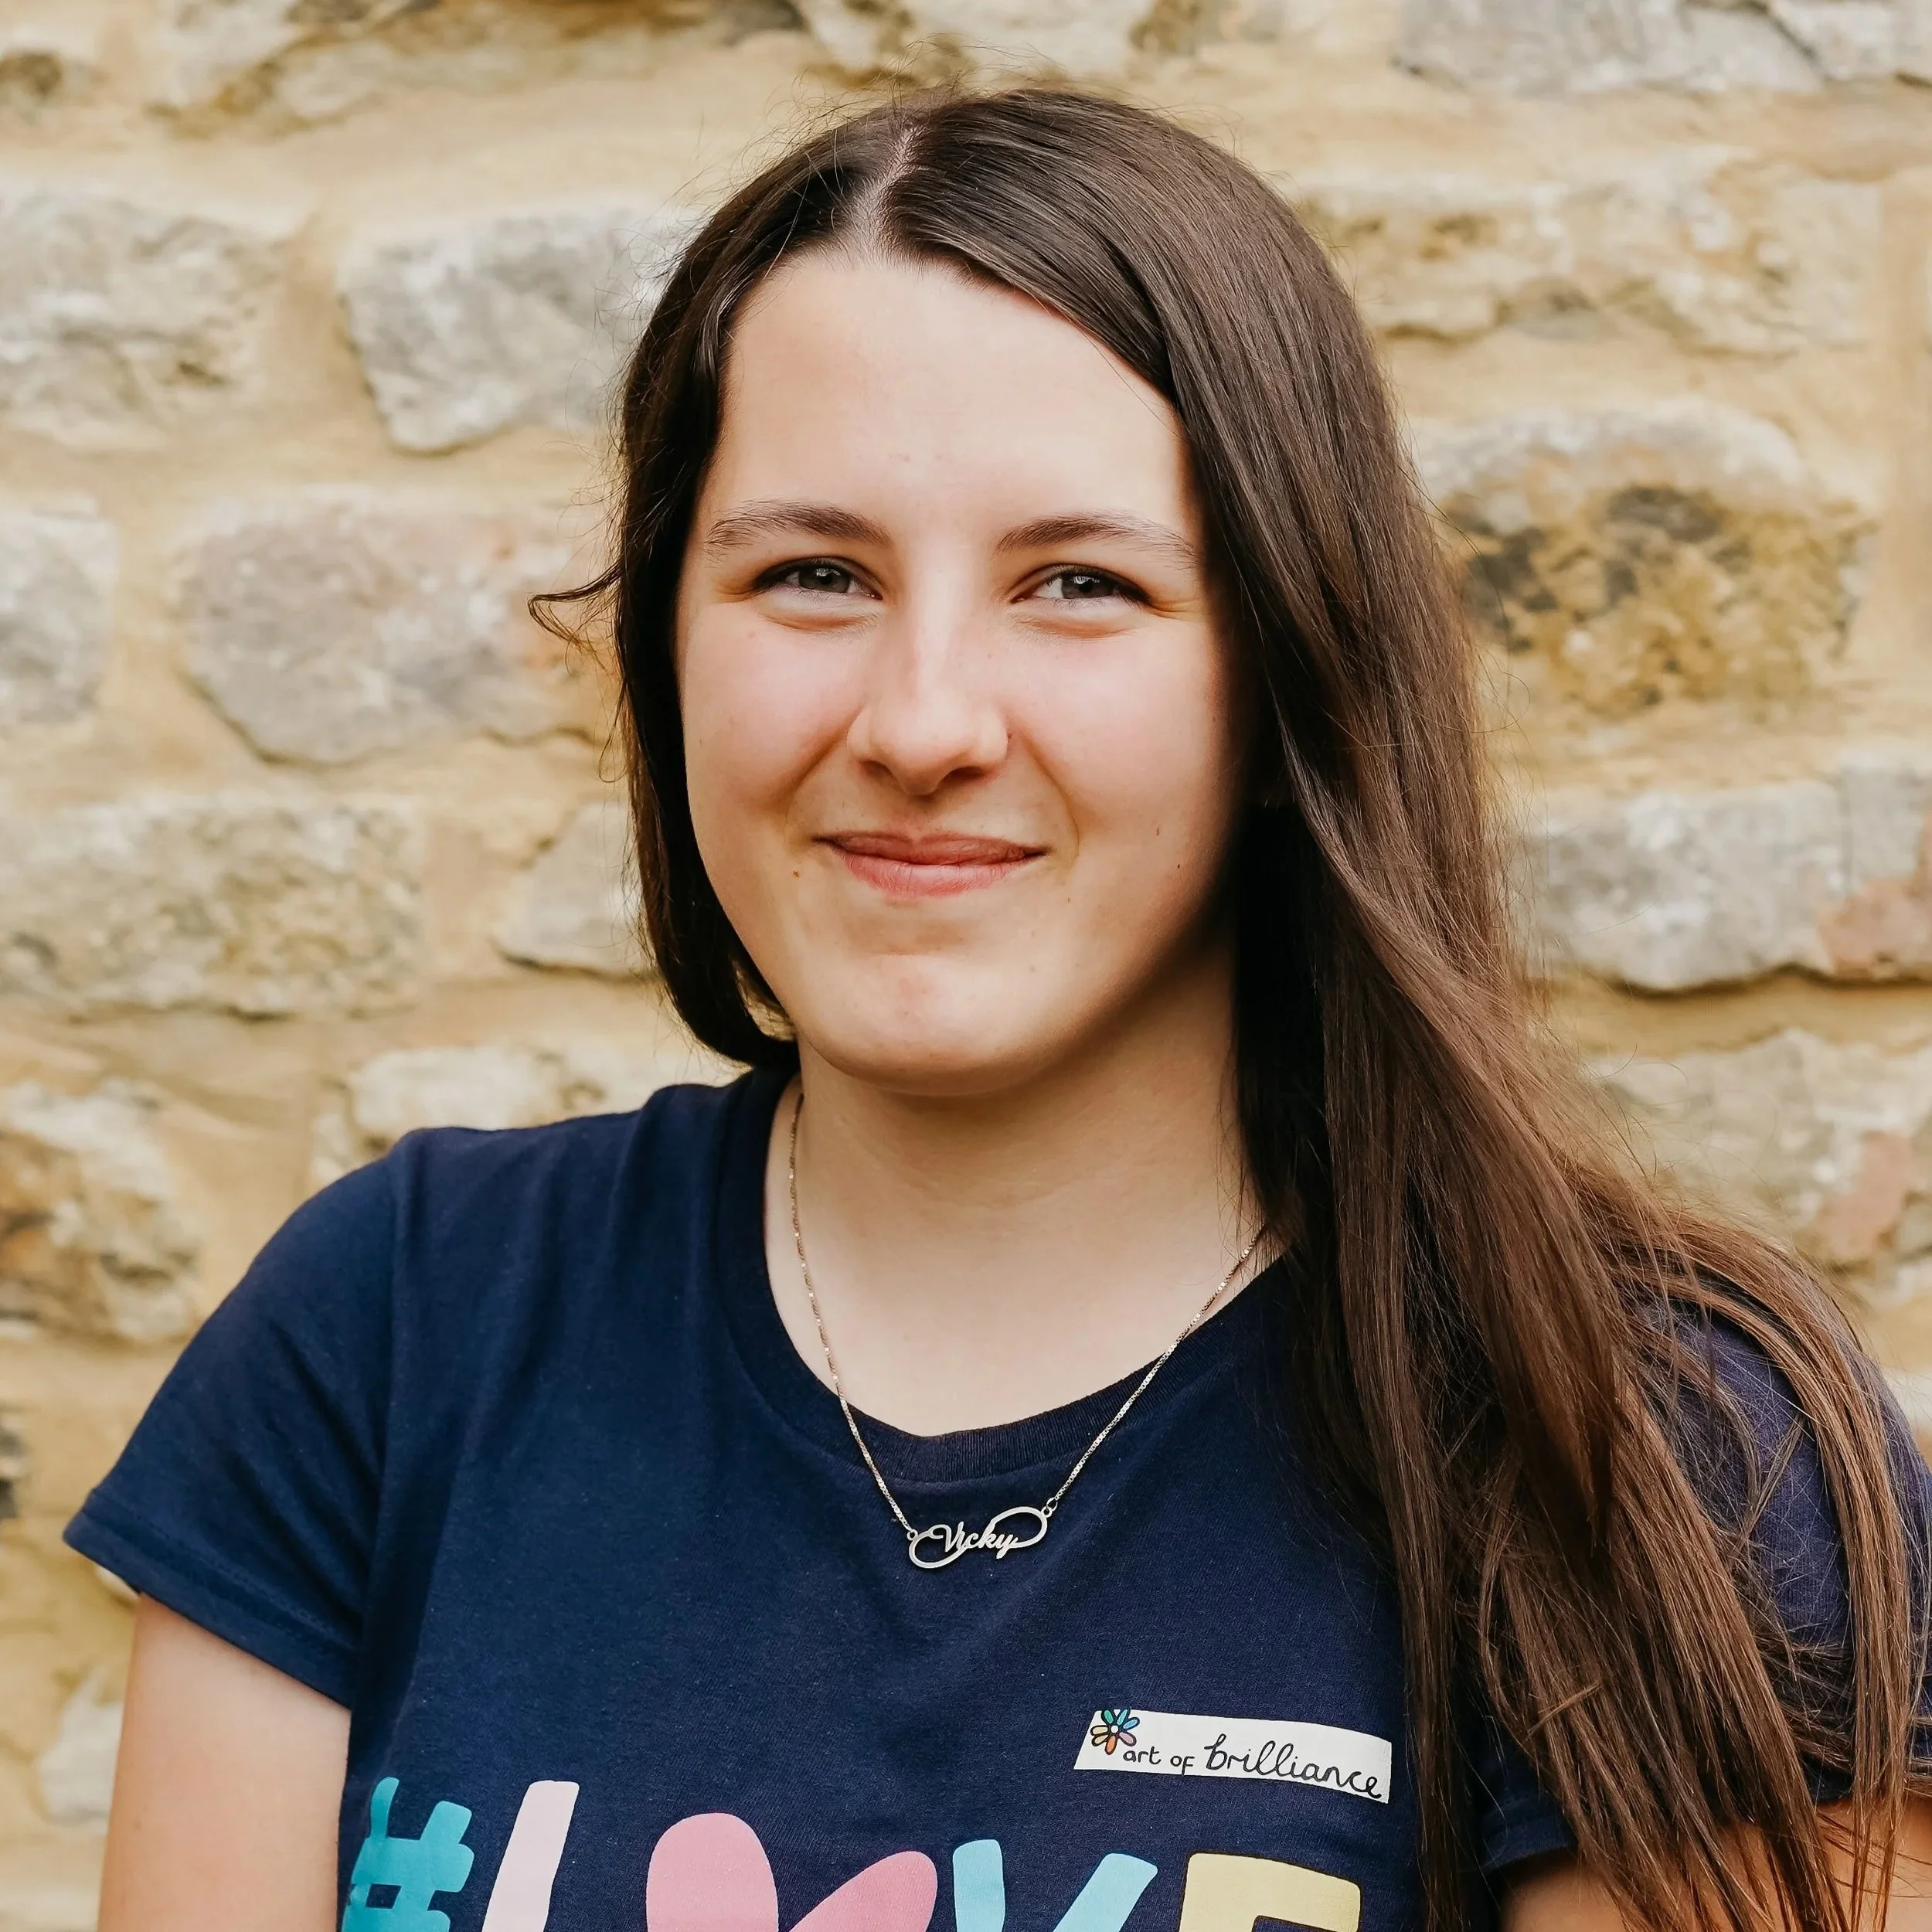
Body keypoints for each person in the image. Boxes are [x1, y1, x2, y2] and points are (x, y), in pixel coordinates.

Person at [73, 88, 1930, 1932]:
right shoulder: (395, 1328)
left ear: (1288, 674)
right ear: (663, 649)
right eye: (811, 574)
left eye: (1078, 583)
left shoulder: (1656, 1450)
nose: (922, 720)